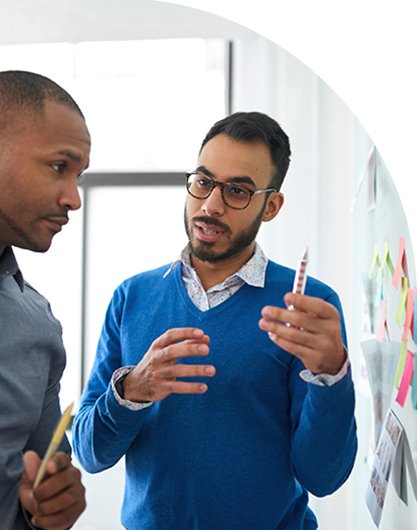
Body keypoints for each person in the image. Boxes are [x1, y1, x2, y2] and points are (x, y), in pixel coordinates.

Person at [73, 111, 357, 530]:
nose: (210, 205)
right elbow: (89, 453)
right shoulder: (131, 297)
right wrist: (132, 389)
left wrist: (332, 376)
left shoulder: (308, 306)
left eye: (238, 191)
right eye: (203, 182)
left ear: (271, 205)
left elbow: (323, 476)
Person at [0, 70, 91, 530]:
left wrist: (56, 504)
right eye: (60, 166)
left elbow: (44, 479)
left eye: (79, 175)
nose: (74, 199)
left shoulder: (38, 325)